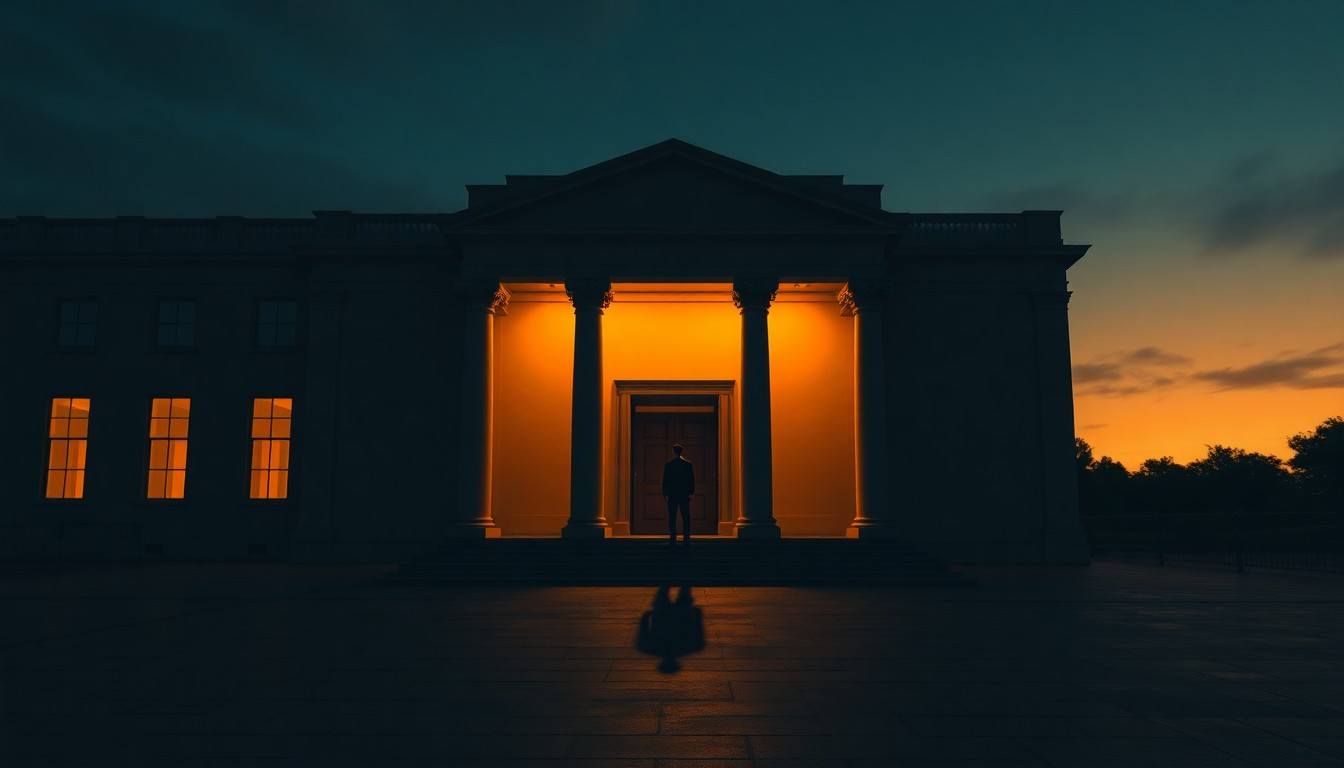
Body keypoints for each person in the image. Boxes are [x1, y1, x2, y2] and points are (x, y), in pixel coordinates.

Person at [661, 443, 695, 544]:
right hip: (684, 494)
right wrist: (691, 492)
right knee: (685, 516)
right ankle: (686, 536)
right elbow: (691, 480)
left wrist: (665, 493)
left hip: (672, 494)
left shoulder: (669, 465)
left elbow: (665, 480)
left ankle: (673, 537)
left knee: (672, 516)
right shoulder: (688, 464)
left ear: (673, 452)